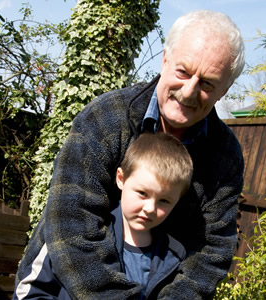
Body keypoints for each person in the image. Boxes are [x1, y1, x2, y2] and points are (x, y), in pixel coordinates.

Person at [15, 9, 245, 300]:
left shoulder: (225, 156)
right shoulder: (103, 120)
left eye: (207, 84)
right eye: (183, 72)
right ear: (165, 60)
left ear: (224, 90)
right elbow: (71, 224)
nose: (188, 92)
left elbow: (211, 252)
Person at [14, 132, 193, 299]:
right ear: (121, 179)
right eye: (142, 193)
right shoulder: (81, 230)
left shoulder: (174, 256)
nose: (150, 208)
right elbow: (30, 290)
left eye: (164, 201)